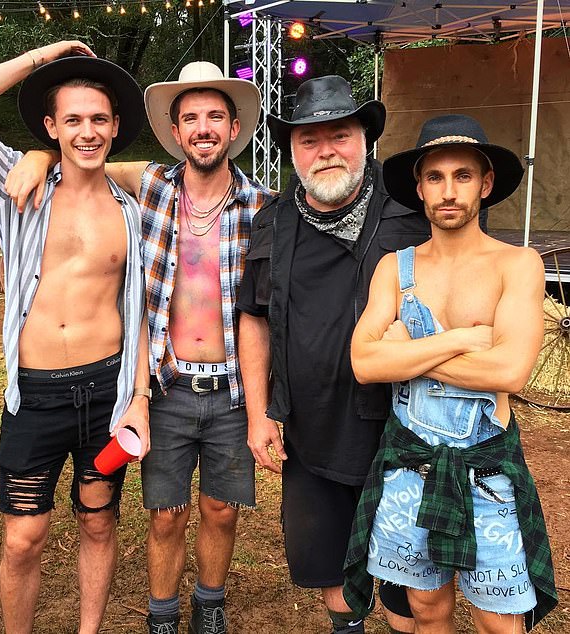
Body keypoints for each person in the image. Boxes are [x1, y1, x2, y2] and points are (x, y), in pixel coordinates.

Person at [6, 60, 271, 634]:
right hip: (164, 383)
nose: (203, 128)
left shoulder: (262, 205)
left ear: (233, 128)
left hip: (230, 386)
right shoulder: (149, 184)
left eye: (215, 117)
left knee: (220, 509)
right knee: (165, 513)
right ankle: (162, 615)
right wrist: (40, 155)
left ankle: (211, 601)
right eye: (191, 118)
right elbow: (84, 158)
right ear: (175, 132)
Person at [0, 43, 149, 633]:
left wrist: (138, 398)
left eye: (100, 119)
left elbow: (138, 313)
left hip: (106, 390)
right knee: (24, 536)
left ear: (115, 128)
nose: (88, 132)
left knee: (98, 521)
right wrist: (41, 59)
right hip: (35, 395)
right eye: (73, 119)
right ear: (52, 126)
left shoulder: (132, 211)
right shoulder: (19, 190)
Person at [343, 114, 558, 633]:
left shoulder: (518, 265)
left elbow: (510, 370)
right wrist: (460, 340)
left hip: (487, 475)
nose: (448, 191)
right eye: (435, 177)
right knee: (426, 609)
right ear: (418, 187)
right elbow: (364, 363)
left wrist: (409, 348)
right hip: (410, 470)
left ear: (485, 185)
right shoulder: (396, 268)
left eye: (463, 176)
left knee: (498, 620)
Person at [236, 75, 431, 634]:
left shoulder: (410, 214)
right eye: (308, 140)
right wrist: (258, 415)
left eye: (340, 135)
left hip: (403, 432)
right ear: (291, 151)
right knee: (331, 572)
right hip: (311, 433)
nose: (326, 151)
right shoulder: (272, 222)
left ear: (365, 139)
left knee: (405, 586)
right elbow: (254, 318)